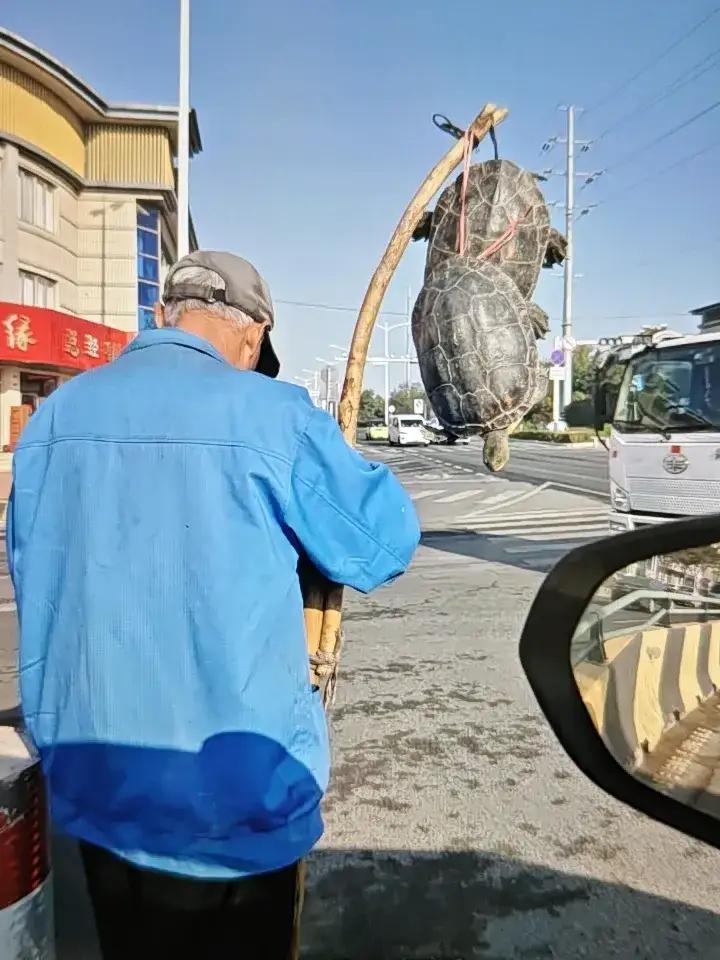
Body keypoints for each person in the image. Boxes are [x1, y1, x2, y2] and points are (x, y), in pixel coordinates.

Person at [8, 251, 420, 959]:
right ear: (252, 334)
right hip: (232, 805)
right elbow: (382, 545)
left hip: (99, 786)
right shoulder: (273, 415)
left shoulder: (55, 418)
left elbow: (32, 571)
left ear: (164, 316)